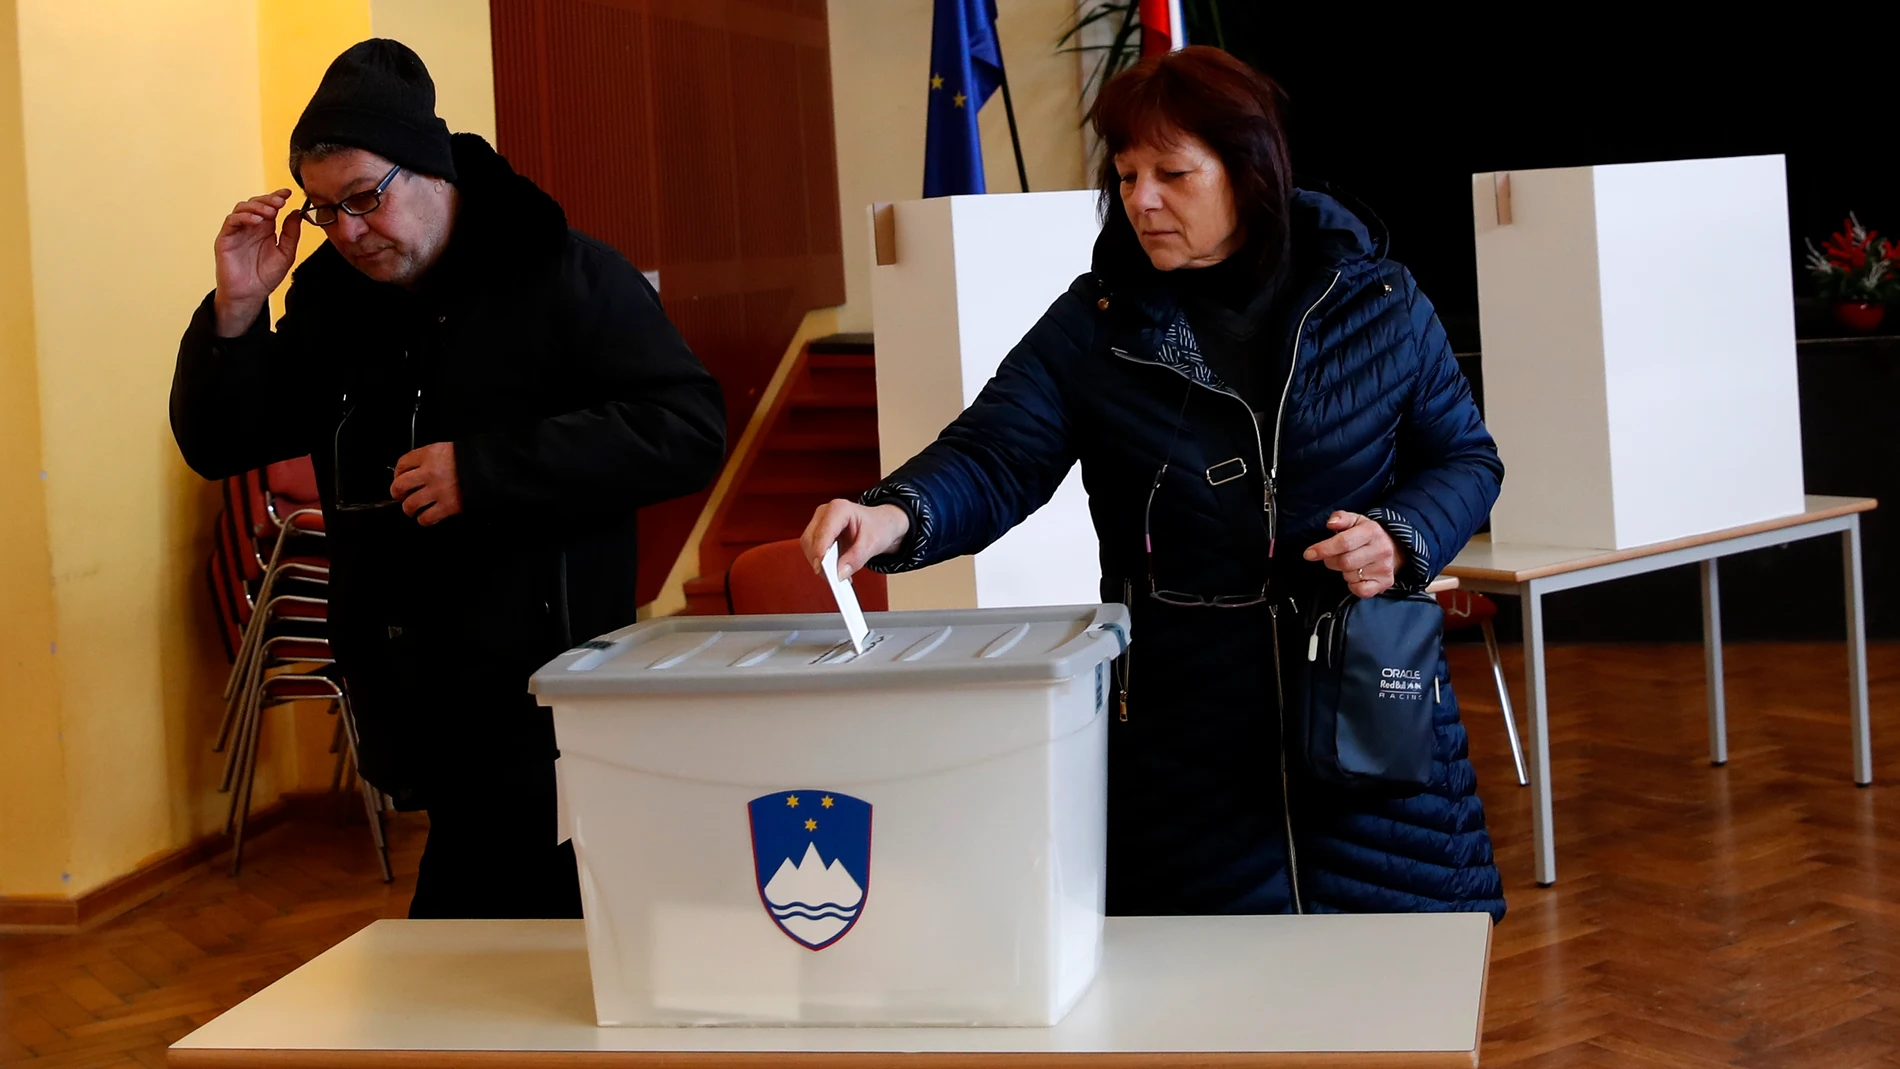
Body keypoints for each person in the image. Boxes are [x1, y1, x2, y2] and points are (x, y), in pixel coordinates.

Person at [803, 47, 1506, 919]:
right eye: (1128, 174)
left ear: (1250, 172)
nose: (1142, 199)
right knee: (1207, 1002)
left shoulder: (1379, 301)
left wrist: (1401, 535)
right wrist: (891, 516)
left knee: (1398, 988)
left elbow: (1467, 460)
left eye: (1173, 173)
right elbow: (993, 454)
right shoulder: (1097, 321)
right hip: (1184, 724)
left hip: (1366, 695)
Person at [171, 40, 726, 919]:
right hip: (415, 697)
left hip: (544, 696)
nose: (348, 230)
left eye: (364, 198)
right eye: (324, 211)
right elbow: (222, 438)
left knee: (510, 959)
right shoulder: (328, 303)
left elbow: (689, 427)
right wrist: (237, 310)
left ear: (430, 167)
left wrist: (490, 469)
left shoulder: (563, 273)